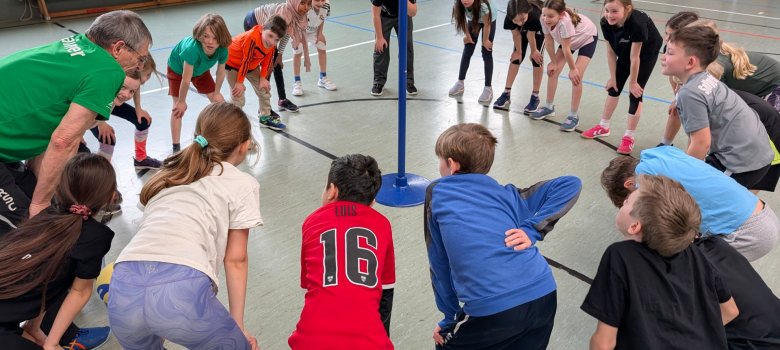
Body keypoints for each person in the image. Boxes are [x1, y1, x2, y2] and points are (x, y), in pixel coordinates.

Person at [107, 103, 261, 350]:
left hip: (123, 285)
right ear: (244, 145)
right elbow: (236, 260)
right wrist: (238, 326)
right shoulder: (242, 183)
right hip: (181, 288)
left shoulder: (168, 175)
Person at [425, 123, 581, 349]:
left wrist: (450, 319)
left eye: (440, 159)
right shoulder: (509, 196)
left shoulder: (437, 192)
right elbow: (570, 184)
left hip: (494, 310)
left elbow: (439, 263)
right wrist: (532, 229)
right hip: (544, 293)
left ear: (451, 165)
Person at [0, 10, 151, 231]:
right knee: (27, 228)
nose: (138, 66)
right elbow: (63, 141)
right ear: (118, 48)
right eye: (140, 59)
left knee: (34, 194)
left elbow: (48, 129)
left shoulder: (74, 45)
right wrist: (40, 204)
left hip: (7, 149)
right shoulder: (107, 70)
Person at [583, 174, 739, 350]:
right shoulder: (693, 252)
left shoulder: (620, 256)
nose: (624, 201)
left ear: (634, 226)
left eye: (627, 202)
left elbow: (603, 343)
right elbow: (730, 311)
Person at [0, 153, 117, 350]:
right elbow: (79, 292)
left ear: (60, 189)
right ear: (111, 195)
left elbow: (46, 280)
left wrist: (34, 327)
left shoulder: (47, 216)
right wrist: (52, 343)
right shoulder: (96, 236)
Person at [288, 154, 395, 349]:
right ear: (372, 202)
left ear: (332, 191)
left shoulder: (311, 222)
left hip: (310, 340)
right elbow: (387, 292)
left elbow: (309, 285)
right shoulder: (383, 224)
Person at [601, 148, 779, 261]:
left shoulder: (644, 179)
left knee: (691, 275)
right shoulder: (658, 153)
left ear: (629, 185)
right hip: (760, 212)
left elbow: (653, 227)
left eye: (627, 199)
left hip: (748, 233)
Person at [661, 25, 774, 190]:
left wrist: (681, 183)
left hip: (741, 163)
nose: (663, 57)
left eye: (670, 53)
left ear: (690, 62)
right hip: (755, 152)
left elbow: (701, 143)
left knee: (694, 197)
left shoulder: (690, 93)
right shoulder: (704, 78)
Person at [581, 0, 662, 154]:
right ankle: (603, 126)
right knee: (614, 87)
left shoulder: (637, 24)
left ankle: (629, 137)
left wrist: (633, 82)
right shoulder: (605, 22)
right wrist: (613, 77)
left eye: (614, 11)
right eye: (607, 10)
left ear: (627, 9)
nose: (609, 15)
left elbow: (635, 57)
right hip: (626, 48)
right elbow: (610, 52)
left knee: (635, 93)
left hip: (645, 53)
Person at [530, 0, 598, 132]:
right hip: (569, 40)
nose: (546, 19)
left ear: (560, 15)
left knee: (576, 76)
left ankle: (573, 116)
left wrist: (573, 69)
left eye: (550, 16)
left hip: (586, 37)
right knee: (553, 72)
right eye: (544, 15)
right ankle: (549, 107)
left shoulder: (565, 22)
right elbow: (548, 41)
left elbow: (566, 49)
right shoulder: (543, 19)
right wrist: (553, 62)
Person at [167, 13, 231, 153]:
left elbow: (220, 72)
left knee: (219, 101)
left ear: (222, 38)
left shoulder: (222, 50)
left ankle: (230, 138)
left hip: (201, 70)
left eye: (215, 38)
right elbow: (186, 78)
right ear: (199, 34)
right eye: (206, 36)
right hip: (178, 70)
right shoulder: (192, 49)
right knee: (177, 109)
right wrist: (182, 101)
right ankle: (176, 148)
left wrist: (216, 92)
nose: (210, 42)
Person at [89, 58, 164, 169]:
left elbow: (134, 86)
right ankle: (100, 174)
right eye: (147, 75)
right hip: (97, 107)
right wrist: (102, 124)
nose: (148, 79)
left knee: (143, 121)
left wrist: (138, 108)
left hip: (112, 101)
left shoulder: (130, 81)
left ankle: (141, 159)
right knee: (106, 139)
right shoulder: (109, 84)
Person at [244, 0, 312, 114]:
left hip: (272, 29)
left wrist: (279, 54)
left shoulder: (297, 15)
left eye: (309, 4)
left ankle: (282, 100)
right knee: (268, 65)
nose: (306, 7)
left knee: (276, 63)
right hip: (253, 21)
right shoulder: (284, 14)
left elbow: (285, 35)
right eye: (302, 3)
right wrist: (275, 56)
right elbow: (275, 35)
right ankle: (264, 108)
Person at [226, 16, 287, 130]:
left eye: (276, 39)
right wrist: (240, 82)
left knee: (264, 90)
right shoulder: (252, 38)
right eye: (270, 35)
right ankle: (230, 120)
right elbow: (246, 60)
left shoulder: (271, 45)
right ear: (263, 29)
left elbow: (267, 60)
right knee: (238, 97)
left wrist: (263, 78)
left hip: (251, 66)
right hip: (233, 64)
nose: (271, 42)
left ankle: (265, 118)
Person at [493, 0, 545, 114]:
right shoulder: (511, 17)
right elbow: (516, 34)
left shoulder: (535, 16)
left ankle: (535, 96)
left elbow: (530, 35)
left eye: (522, 19)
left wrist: (534, 51)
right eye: (516, 20)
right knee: (516, 59)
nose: (519, 23)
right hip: (524, 32)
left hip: (537, 32)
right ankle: (506, 93)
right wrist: (519, 52)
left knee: (537, 61)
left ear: (527, 12)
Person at [448, 0, 496, 104]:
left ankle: (488, 88)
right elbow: (462, 20)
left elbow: (487, 25)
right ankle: (460, 83)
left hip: (489, 20)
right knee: (468, 48)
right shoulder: (459, 4)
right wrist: (468, 36)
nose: (465, 0)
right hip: (474, 19)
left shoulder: (483, 5)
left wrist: (485, 41)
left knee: (486, 51)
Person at [371, 0, 418, 96]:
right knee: (381, 47)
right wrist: (379, 38)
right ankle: (378, 81)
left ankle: (408, 80)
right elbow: (375, 14)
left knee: (407, 46)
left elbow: (413, 12)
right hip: (383, 16)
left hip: (404, 15)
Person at [292, 0, 337, 95]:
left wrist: (320, 34)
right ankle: (297, 82)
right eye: (317, 0)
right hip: (300, 31)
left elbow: (322, 19)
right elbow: (294, 21)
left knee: (322, 46)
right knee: (298, 51)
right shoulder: (304, 6)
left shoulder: (326, 5)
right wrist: (296, 37)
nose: (320, 3)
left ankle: (322, 78)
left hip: (314, 31)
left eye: (323, 0)